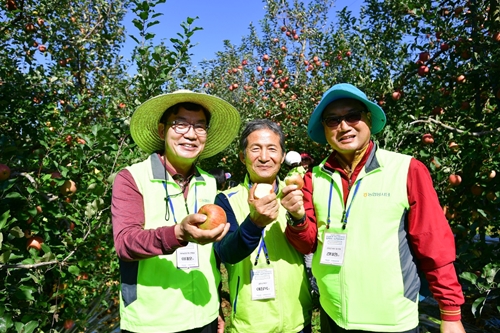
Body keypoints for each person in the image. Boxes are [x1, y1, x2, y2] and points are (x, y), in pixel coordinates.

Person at [284, 83, 466, 333]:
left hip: (390, 321)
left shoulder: (407, 170)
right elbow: (307, 244)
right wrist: (296, 218)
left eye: (353, 116)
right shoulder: (313, 178)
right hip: (333, 314)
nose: (344, 126)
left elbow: (433, 244)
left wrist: (451, 313)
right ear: (324, 130)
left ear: (368, 119)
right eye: (333, 120)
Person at [111, 90, 240, 333]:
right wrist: (179, 233)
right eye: (180, 124)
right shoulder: (132, 178)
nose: (191, 134)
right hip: (153, 321)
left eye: (200, 127)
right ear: (162, 131)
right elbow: (125, 243)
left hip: (204, 314)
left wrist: (216, 308)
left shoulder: (208, 182)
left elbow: (210, 257)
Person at [213, 119, 313, 333]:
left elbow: (311, 244)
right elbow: (226, 252)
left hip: (297, 320)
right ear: (242, 156)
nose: (264, 157)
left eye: (272, 149)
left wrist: (298, 218)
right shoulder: (226, 200)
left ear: (283, 156)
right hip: (250, 324)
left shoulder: (297, 195)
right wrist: (254, 223)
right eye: (255, 149)